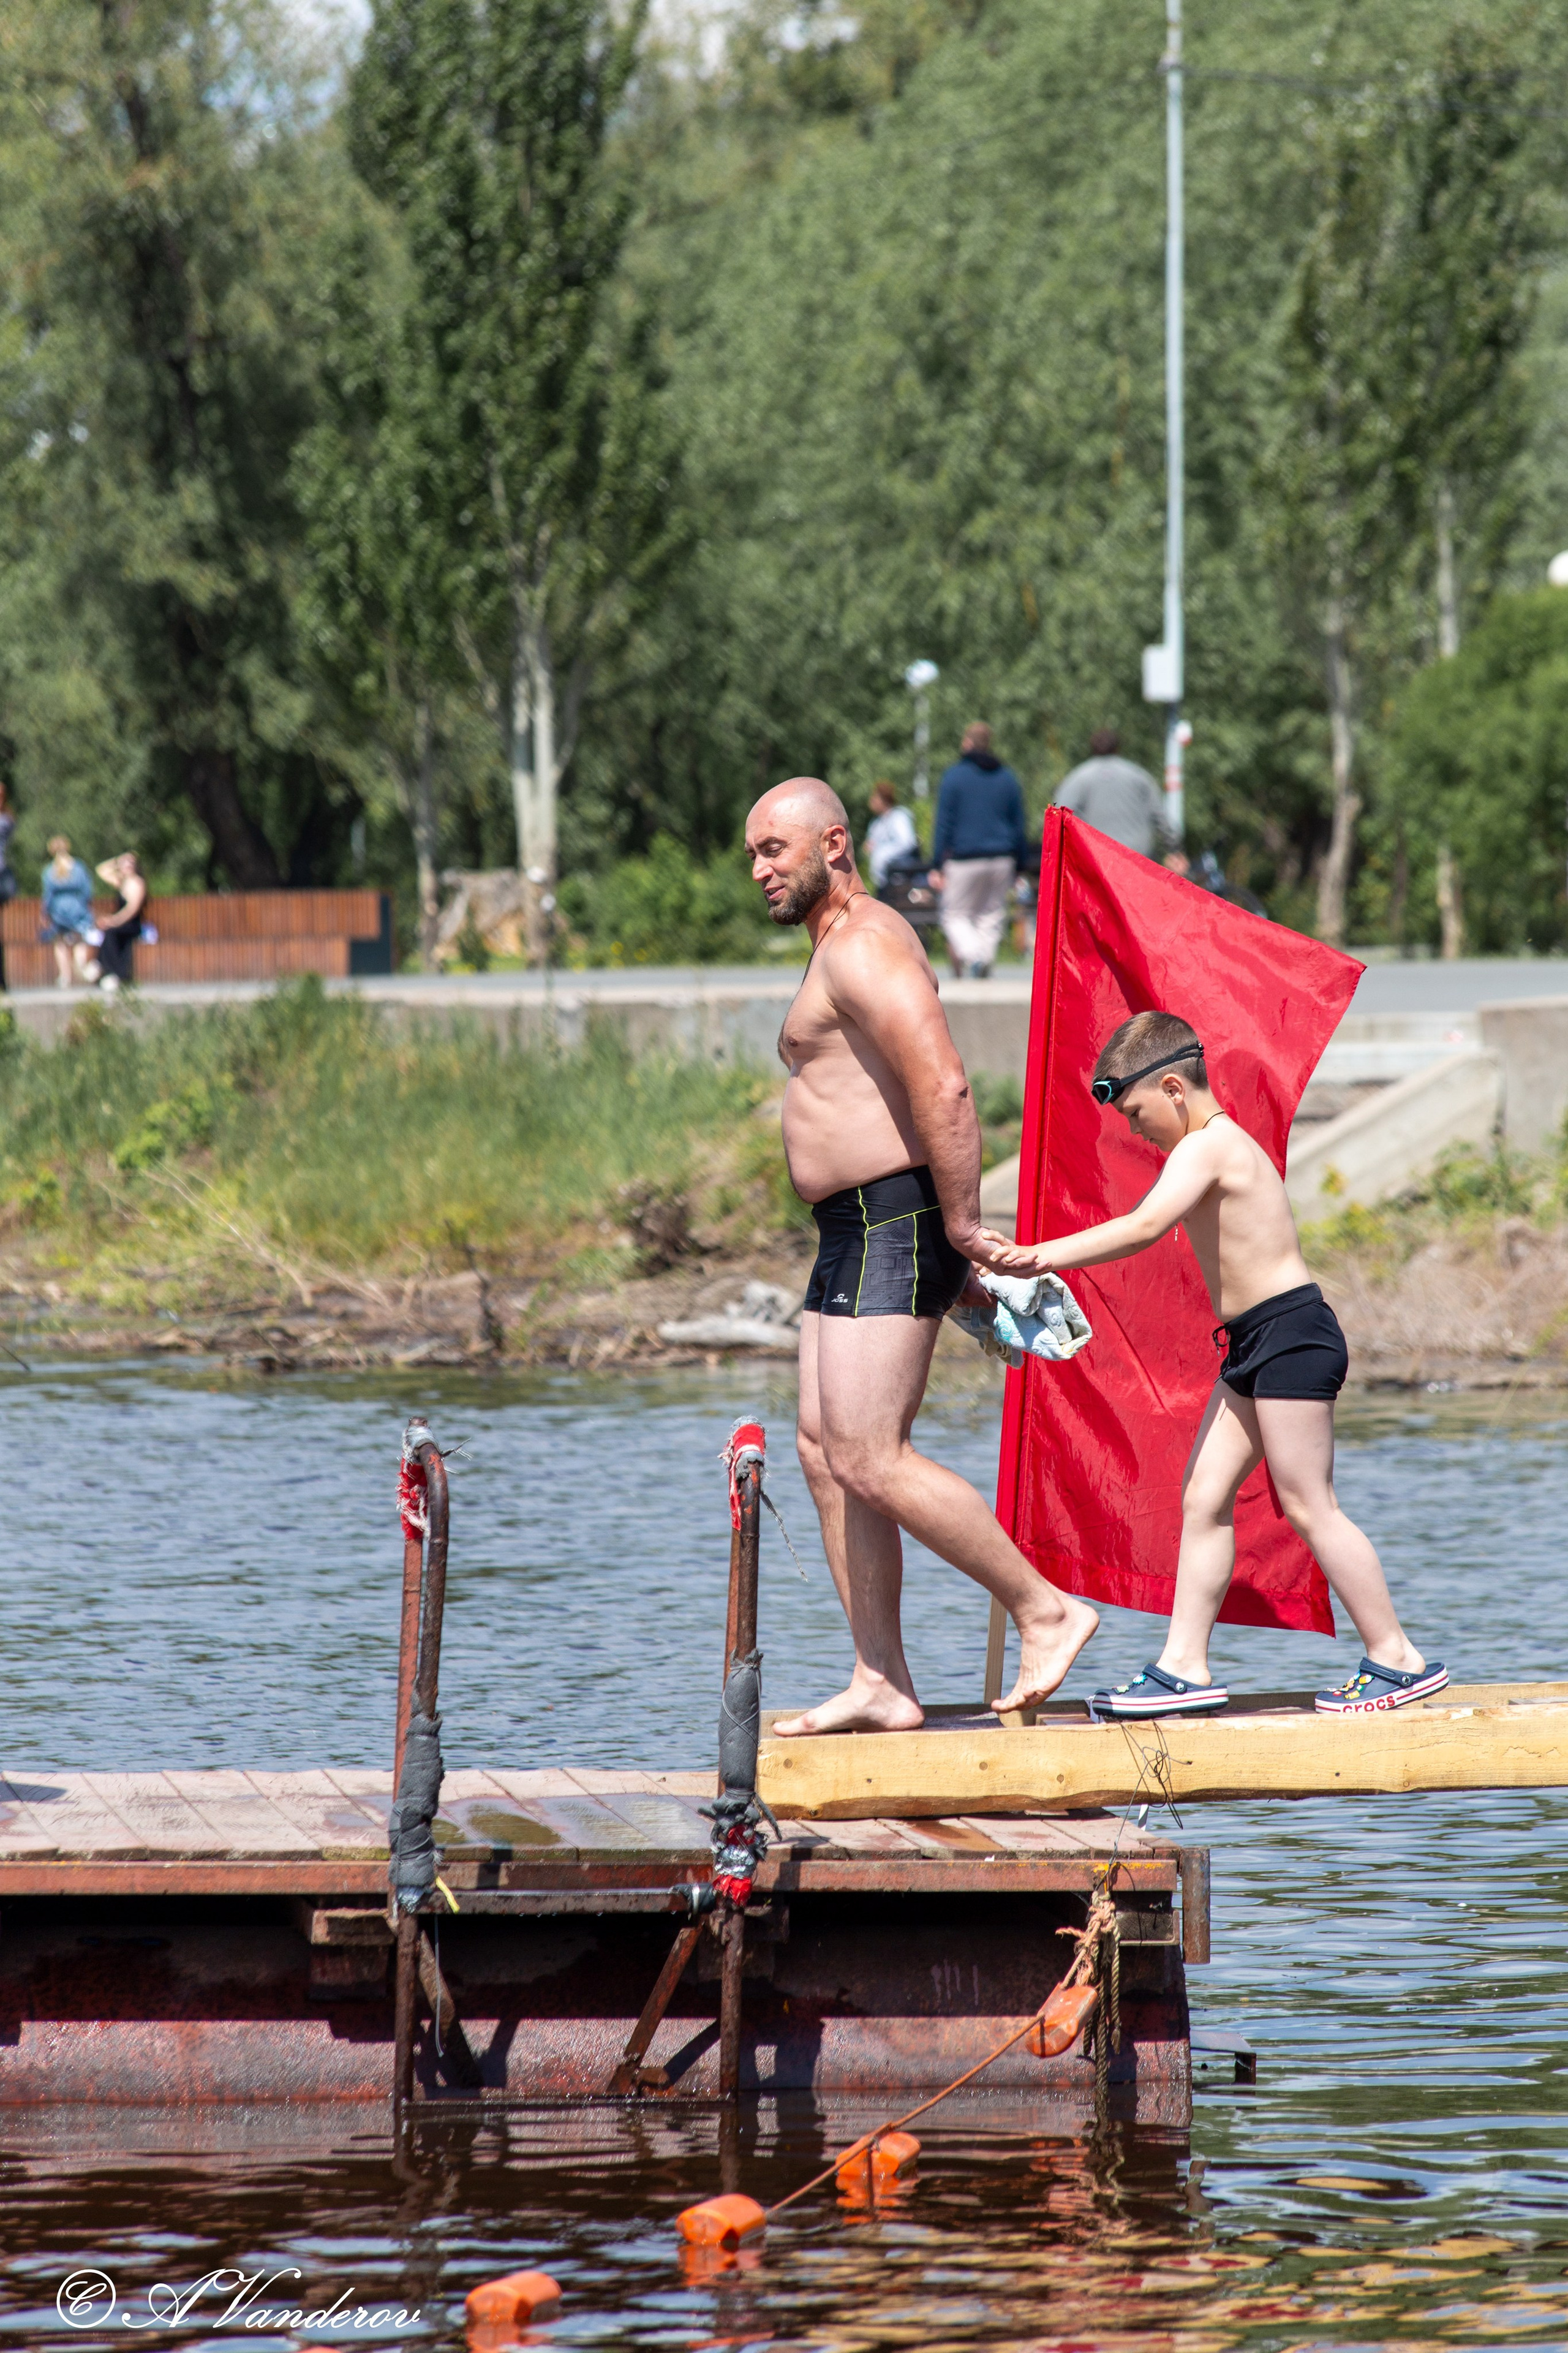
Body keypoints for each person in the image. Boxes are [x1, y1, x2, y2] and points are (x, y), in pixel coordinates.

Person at [744, 776, 1098, 1734]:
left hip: (894, 1222)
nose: (761, 870)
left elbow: (943, 1085)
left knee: (869, 1450)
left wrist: (964, 1230)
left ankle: (1047, 1608)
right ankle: (881, 1679)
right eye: (752, 855)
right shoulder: (835, 947)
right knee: (825, 1455)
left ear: (835, 842)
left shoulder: (863, 944)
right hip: (848, 1230)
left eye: (775, 849)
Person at [979, 1010, 1446, 1721]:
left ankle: (1398, 1658)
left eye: (1136, 1113)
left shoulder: (1209, 1146)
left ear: (1172, 1086)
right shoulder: (1200, 1147)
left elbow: (1141, 1227)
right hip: (1256, 1341)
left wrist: (1035, 1255)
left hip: (1292, 1334)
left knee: (1308, 1504)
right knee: (1202, 1499)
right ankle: (1183, 1668)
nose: (1135, 1129)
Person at [928, 723, 1028, 978]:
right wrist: (1021, 864)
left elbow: (944, 823)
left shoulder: (954, 776)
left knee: (953, 914)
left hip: (965, 858)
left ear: (967, 743)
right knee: (991, 914)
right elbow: (1019, 823)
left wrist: (937, 864)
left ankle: (974, 957)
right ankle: (983, 961)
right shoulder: (1007, 777)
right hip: (1002, 858)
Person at [1054, 729, 1177, 861]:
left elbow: (1059, 815)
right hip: (1137, 858)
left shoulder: (1077, 778)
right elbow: (1160, 815)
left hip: (1096, 859)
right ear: (1117, 749)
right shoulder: (1139, 776)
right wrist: (1174, 848)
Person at [40, 836, 99, 989]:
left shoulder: (49, 870)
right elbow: (87, 890)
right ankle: (81, 968)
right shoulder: (78, 867)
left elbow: (48, 895)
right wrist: (87, 907)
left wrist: (45, 913)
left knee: (60, 942)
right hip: (77, 907)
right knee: (79, 941)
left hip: (58, 910)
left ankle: (65, 976)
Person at [94, 852, 147, 994]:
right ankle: (104, 968)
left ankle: (112, 972)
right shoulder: (121, 882)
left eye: (131, 863)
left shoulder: (138, 883)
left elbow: (131, 911)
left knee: (111, 931)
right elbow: (101, 870)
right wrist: (117, 861)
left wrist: (113, 921)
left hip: (132, 925)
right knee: (109, 931)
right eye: (125, 864)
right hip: (121, 923)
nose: (127, 866)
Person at [864, 782, 919, 891]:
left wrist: (883, 853)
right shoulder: (877, 823)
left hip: (903, 878)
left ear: (883, 799)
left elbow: (907, 843)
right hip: (885, 884)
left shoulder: (899, 817)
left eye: (875, 797)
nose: (872, 801)